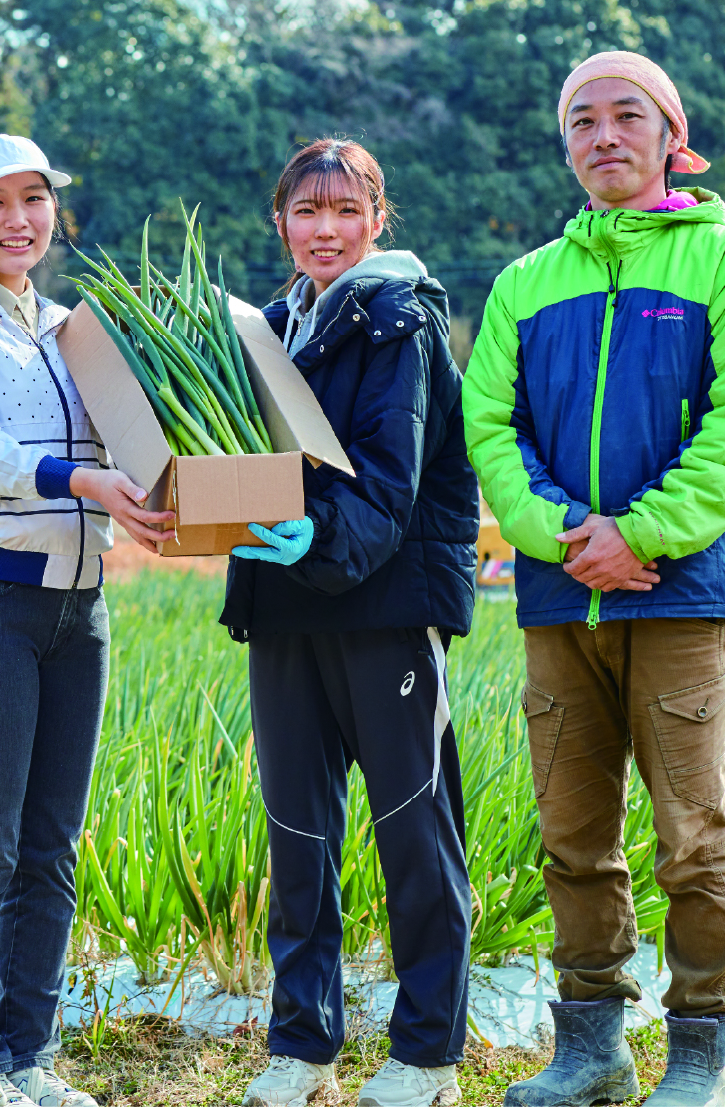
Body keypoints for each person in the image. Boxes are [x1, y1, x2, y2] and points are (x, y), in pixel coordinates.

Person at [462, 53, 725, 1107]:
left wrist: (638, 532)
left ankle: (698, 1056)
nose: (603, 135)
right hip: (561, 598)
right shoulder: (524, 282)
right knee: (572, 837)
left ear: (670, 136)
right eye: (582, 120)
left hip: (682, 594)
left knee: (693, 835)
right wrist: (564, 534)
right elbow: (491, 429)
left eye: (626, 115)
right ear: (565, 144)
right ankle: (591, 1048)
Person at [0, 133, 176, 1107]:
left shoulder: (72, 329)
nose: (19, 219)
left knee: (52, 848)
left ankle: (27, 1058)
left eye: (35, 198)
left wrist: (167, 494)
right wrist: (83, 480)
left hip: (78, 610)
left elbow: (134, 444)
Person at [223, 138, 481, 1107]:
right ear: (280, 222)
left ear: (377, 218)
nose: (324, 229)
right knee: (298, 830)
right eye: (306, 210)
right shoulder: (269, 327)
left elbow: (389, 476)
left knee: (412, 825)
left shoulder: (397, 320)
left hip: (386, 606)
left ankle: (426, 1055)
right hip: (286, 602)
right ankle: (302, 1045)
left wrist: (319, 536)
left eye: (344, 210)